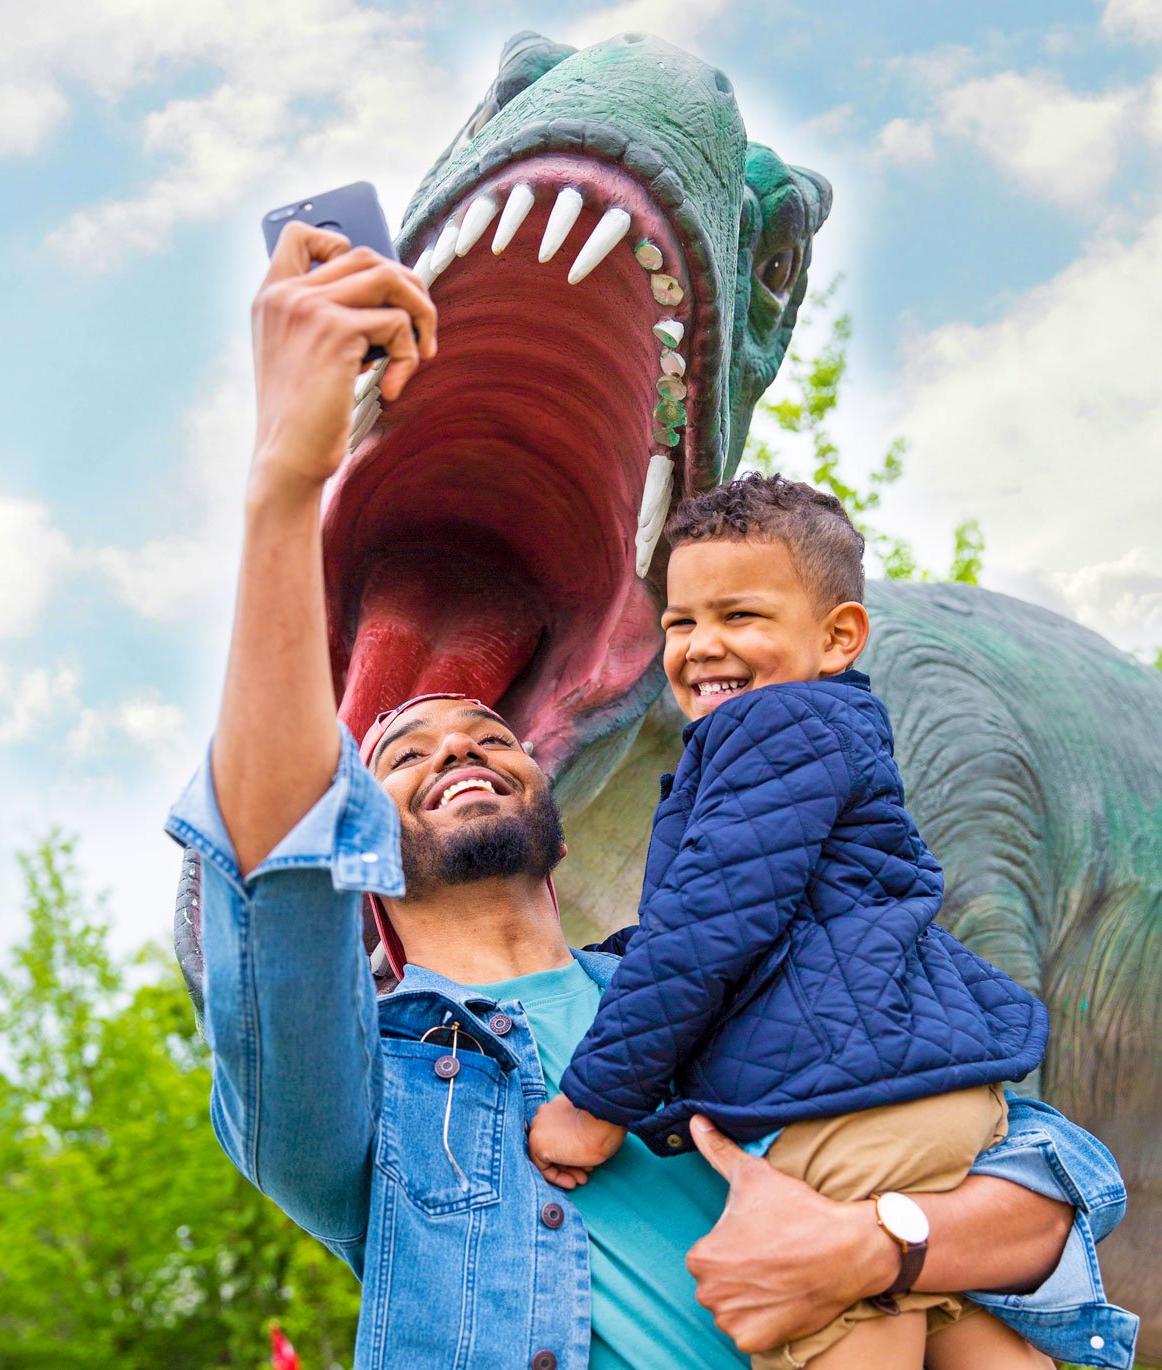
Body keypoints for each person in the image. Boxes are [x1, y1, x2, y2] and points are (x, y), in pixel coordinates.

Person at [163, 218, 1139, 1368]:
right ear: (362, 830)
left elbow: (1056, 1172)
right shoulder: (359, 1094)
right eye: (401, 751)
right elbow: (272, 861)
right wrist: (286, 478)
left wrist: (873, 1245)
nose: (458, 743)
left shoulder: (714, 977)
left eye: (485, 729)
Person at [525, 474, 1056, 1369]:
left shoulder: (773, 726)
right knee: (966, 1337)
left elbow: (707, 925)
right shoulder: (818, 733)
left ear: (839, 636)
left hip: (854, 1113)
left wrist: (592, 1103)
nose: (702, 647)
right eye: (681, 623)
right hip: (922, 1096)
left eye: (741, 616)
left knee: (839, 1332)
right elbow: (751, 911)